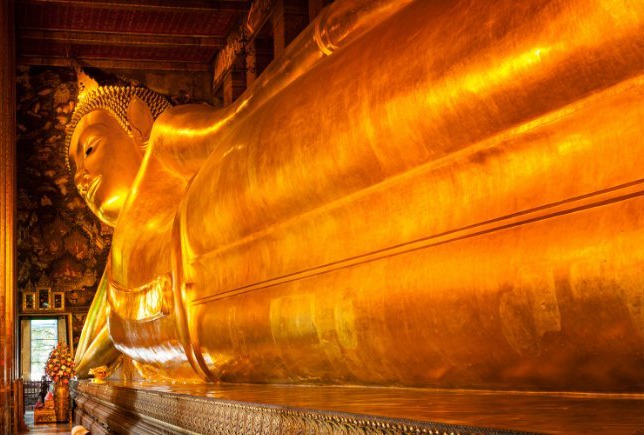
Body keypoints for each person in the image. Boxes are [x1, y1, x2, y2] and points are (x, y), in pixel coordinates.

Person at [68, 0, 644, 392]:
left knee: (429, 116)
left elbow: (248, 112)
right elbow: (106, 336)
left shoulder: (169, 145)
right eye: (72, 175)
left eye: (89, 151)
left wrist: (332, 33)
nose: (82, 180)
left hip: (219, 216)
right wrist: (81, 368)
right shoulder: (117, 267)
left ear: (138, 119)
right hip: (232, 327)